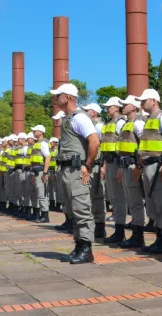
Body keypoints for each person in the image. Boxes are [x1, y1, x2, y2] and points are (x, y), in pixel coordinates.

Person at [50, 83, 100, 264]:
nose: (56, 98)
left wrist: (87, 165)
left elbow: (94, 141)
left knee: (82, 209)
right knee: (72, 210)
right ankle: (79, 245)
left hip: (78, 170)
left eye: (59, 95)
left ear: (68, 97)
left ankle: (86, 249)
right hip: (67, 169)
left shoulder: (80, 118)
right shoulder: (69, 118)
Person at [136, 89, 162, 254]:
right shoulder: (148, 119)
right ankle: (159, 238)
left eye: (144, 100)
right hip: (147, 165)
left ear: (154, 100)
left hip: (159, 166)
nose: (141, 103)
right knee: (153, 204)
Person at [117, 95, 146, 248]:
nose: (123, 106)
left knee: (136, 203)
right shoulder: (126, 124)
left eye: (126, 104)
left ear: (133, 107)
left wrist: (139, 166)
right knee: (131, 202)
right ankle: (136, 233)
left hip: (134, 166)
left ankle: (138, 236)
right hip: (125, 166)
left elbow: (144, 144)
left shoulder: (138, 123)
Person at [100, 97, 127, 245]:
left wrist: (121, 167)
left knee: (119, 197)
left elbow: (123, 144)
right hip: (109, 163)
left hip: (117, 163)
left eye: (109, 107)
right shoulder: (108, 124)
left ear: (117, 108)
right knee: (114, 198)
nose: (107, 109)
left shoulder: (120, 123)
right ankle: (118, 229)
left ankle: (120, 230)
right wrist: (104, 165)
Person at [82, 103, 106, 239]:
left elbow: (102, 147)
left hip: (97, 164)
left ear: (94, 113)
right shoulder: (91, 125)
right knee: (90, 197)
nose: (85, 112)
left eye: (87, 110)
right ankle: (94, 225)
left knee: (97, 197)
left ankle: (100, 226)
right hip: (92, 164)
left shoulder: (99, 126)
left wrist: (103, 165)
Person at [30, 125, 51, 223]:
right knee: (38, 194)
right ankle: (41, 214)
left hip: (41, 171)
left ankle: (45, 216)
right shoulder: (36, 144)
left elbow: (47, 157)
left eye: (35, 130)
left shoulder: (43, 143)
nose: (33, 132)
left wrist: (45, 173)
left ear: (41, 132)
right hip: (35, 171)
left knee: (42, 194)